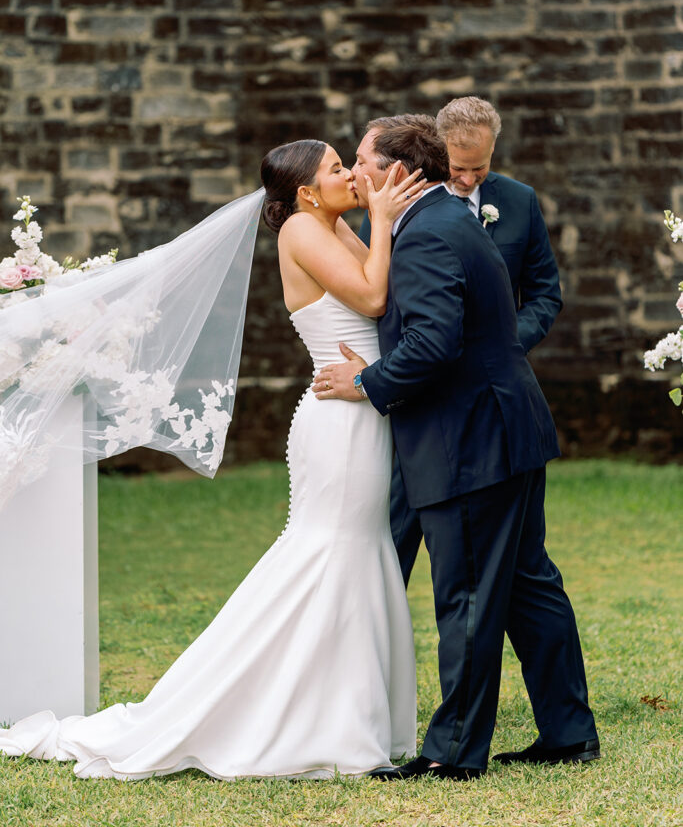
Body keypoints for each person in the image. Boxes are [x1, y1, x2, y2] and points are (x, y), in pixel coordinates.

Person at [0, 139, 425, 780]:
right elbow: (371, 300)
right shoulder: (303, 232)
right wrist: (386, 219)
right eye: (337, 168)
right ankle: (315, 720)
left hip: (362, 408)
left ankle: (339, 713)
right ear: (306, 192)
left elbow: (379, 289)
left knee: (356, 549)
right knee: (331, 549)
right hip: (338, 420)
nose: (351, 175)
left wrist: (376, 222)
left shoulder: (335, 227)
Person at [313, 115, 598, 780]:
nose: (355, 171)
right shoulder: (443, 218)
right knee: (526, 586)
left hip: (470, 440)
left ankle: (453, 752)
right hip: (506, 429)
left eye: (361, 160)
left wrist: (367, 382)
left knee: (467, 593)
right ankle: (567, 733)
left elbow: (433, 343)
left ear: (396, 170)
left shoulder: (425, 235)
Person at [380, 97, 564, 585]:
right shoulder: (397, 202)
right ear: (439, 150)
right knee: (390, 538)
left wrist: (501, 344)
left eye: (479, 168)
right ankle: (373, 622)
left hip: (486, 404)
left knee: (497, 560)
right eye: (458, 168)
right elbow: (378, 288)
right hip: (418, 401)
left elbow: (544, 294)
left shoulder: (520, 201)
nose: (467, 180)